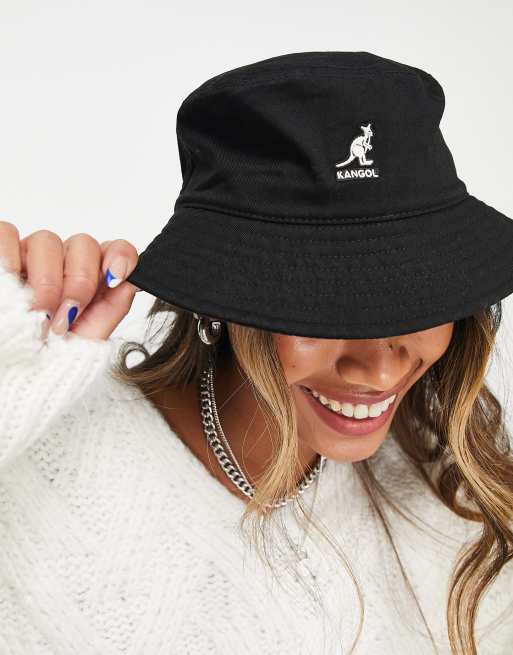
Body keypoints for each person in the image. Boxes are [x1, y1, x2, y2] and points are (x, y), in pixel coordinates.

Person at [0, 51, 512, 655]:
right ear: (219, 300)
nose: (380, 368)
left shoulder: (452, 491)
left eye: (421, 298)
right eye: (322, 308)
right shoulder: (39, 465)